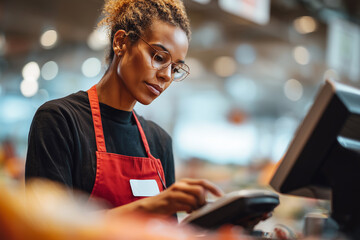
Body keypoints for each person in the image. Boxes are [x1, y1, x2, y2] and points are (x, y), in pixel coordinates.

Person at [25, 0, 223, 217]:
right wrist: (152, 206)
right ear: (121, 42)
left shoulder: (160, 142)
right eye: (158, 57)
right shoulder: (60, 120)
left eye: (175, 68)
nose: (166, 75)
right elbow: (46, 227)